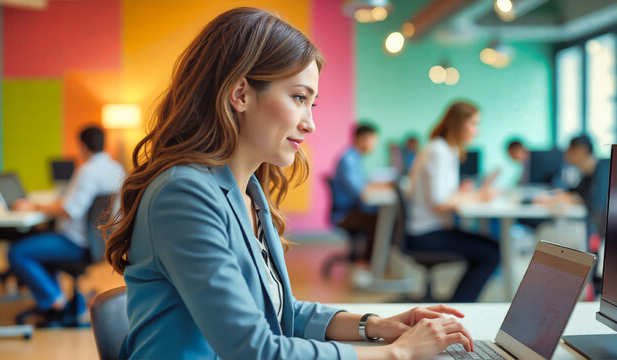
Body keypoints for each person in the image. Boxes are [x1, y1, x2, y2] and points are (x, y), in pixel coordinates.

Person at [103, 8, 474, 360]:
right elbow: (255, 349)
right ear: (241, 94)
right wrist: (398, 352)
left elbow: (282, 313)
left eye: (311, 104)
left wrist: (376, 326)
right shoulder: (182, 194)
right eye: (299, 97)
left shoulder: (249, 192)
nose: (310, 124)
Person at [7, 126, 125, 325]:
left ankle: (55, 300)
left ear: (82, 146)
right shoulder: (117, 168)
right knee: (41, 243)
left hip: (77, 244)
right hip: (101, 242)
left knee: (17, 251)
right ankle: (57, 299)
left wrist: (34, 205)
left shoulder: (87, 170)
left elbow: (70, 210)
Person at [407, 101, 500, 303]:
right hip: (425, 234)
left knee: (492, 247)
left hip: (433, 228)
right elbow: (439, 202)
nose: (477, 130)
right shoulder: (438, 150)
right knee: (491, 252)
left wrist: (462, 192)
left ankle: (459, 302)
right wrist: (477, 196)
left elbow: (442, 195)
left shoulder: (446, 149)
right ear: (459, 124)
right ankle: (459, 306)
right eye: (473, 123)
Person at [331, 124, 388, 262]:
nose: (374, 144)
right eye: (372, 140)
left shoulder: (355, 157)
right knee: (380, 219)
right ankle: (367, 263)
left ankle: (370, 261)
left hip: (352, 208)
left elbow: (362, 186)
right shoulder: (349, 160)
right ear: (361, 139)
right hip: (346, 213)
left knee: (381, 216)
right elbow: (360, 192)